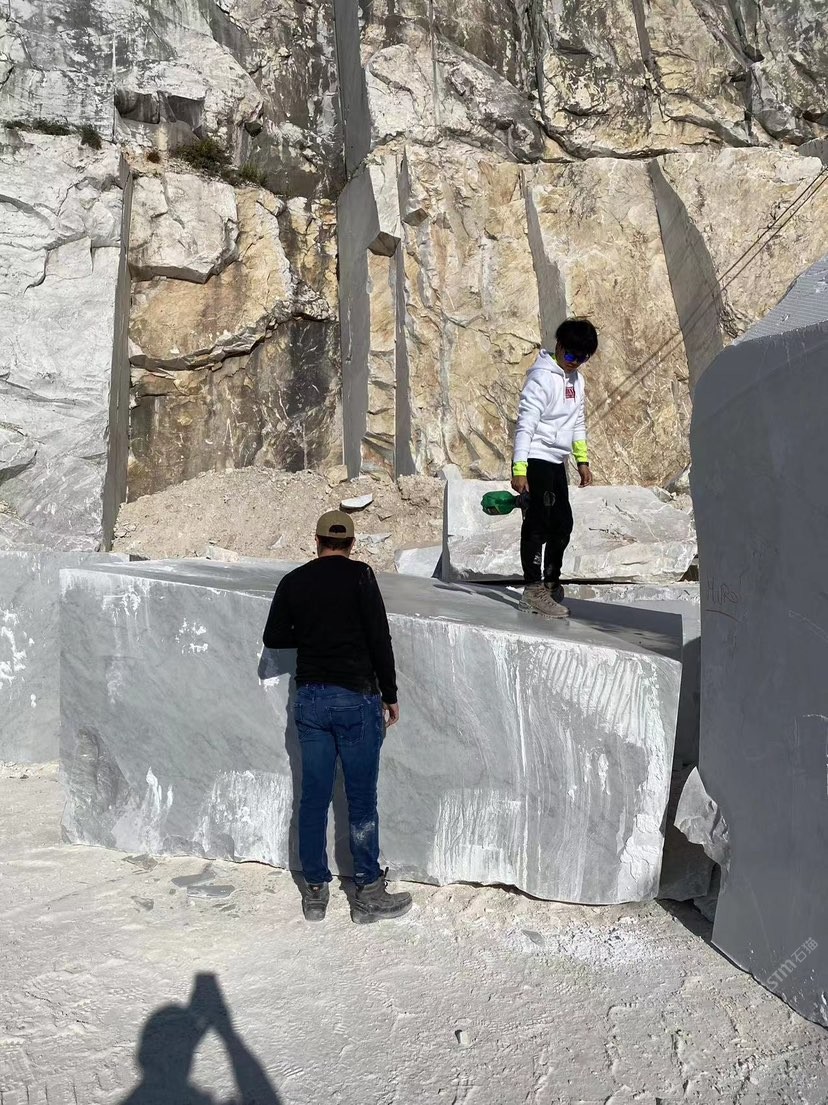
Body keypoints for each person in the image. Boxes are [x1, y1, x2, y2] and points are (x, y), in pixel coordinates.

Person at [262, 509, 412, 924]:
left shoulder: (294, 580)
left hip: (311, 699)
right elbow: (379, 637)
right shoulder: (361, 576)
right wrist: (390, 694)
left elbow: (273, 636)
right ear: (351, 543)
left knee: (313, 796)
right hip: (355, 699)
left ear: (317, 541)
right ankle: (367, 892)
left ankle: (314, 890)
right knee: (361, 799)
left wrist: (310, 632)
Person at [511, 318, 599, 618]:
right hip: (536, 456)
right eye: (571, 355)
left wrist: (582, 460)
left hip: (557, 460)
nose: (575, 362)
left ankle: (550, 582)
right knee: (538, 523)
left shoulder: (577, 381)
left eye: (583, 358)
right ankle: (532, 590)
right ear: (559, 346)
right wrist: (519, 467)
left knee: (563, 524)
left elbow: (577, 421)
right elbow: (526, 423)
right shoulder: (541, 378)